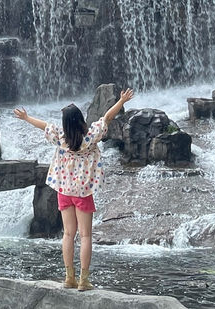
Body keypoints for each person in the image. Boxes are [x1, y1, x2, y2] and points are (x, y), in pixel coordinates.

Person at [13, 87, 134, 291]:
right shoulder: (90, 137)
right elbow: (107, 117)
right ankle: (83, 281)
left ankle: (69, 277)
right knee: (85, 236)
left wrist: (26, 117)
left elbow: (43, 126)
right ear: (80, 119)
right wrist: (121, 101)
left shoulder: (61, 137)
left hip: (64, 192)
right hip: (83, 193)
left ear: (65, 124)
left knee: (68, 235)